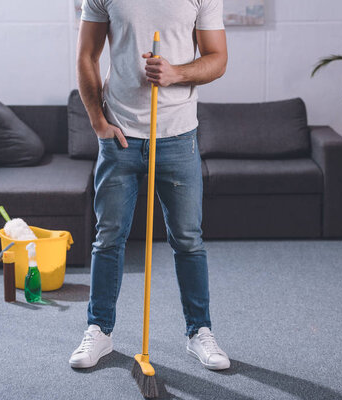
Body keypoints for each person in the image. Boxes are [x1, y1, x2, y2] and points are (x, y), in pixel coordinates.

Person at [69, 0, 230, 371]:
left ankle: (199, 332)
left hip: (178, 136)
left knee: (188, 239)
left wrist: (175, 73)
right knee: (108, 238)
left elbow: (217, 58)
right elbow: (86, 57)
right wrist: (98, 123)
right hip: (120, 136)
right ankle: (99, 330)